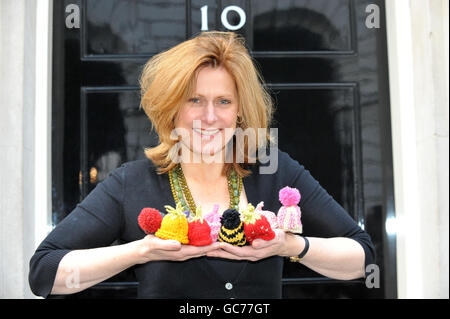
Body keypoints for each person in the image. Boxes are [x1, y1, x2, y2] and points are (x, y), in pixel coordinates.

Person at [29, 31, 375, 299]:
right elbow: (45, 272)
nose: (209, 117)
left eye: (223, 101)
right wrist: (140, 251)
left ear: (240, 109)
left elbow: (362, 257)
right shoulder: (132, 183)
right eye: (194, 100)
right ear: (172, 107)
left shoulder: (274, 170)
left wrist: (291, 246)